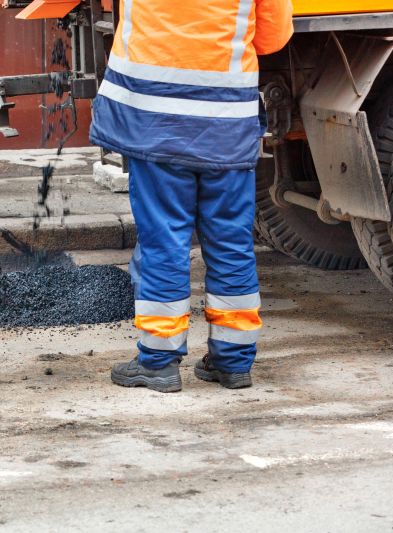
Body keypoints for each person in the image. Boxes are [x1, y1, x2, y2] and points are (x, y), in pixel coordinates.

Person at [91, 0, 293, 391]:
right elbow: (272, 37)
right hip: (226, 128)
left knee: (164, 241)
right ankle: (232, 363)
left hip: (155, 124)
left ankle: (158, 363)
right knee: (231, 242)